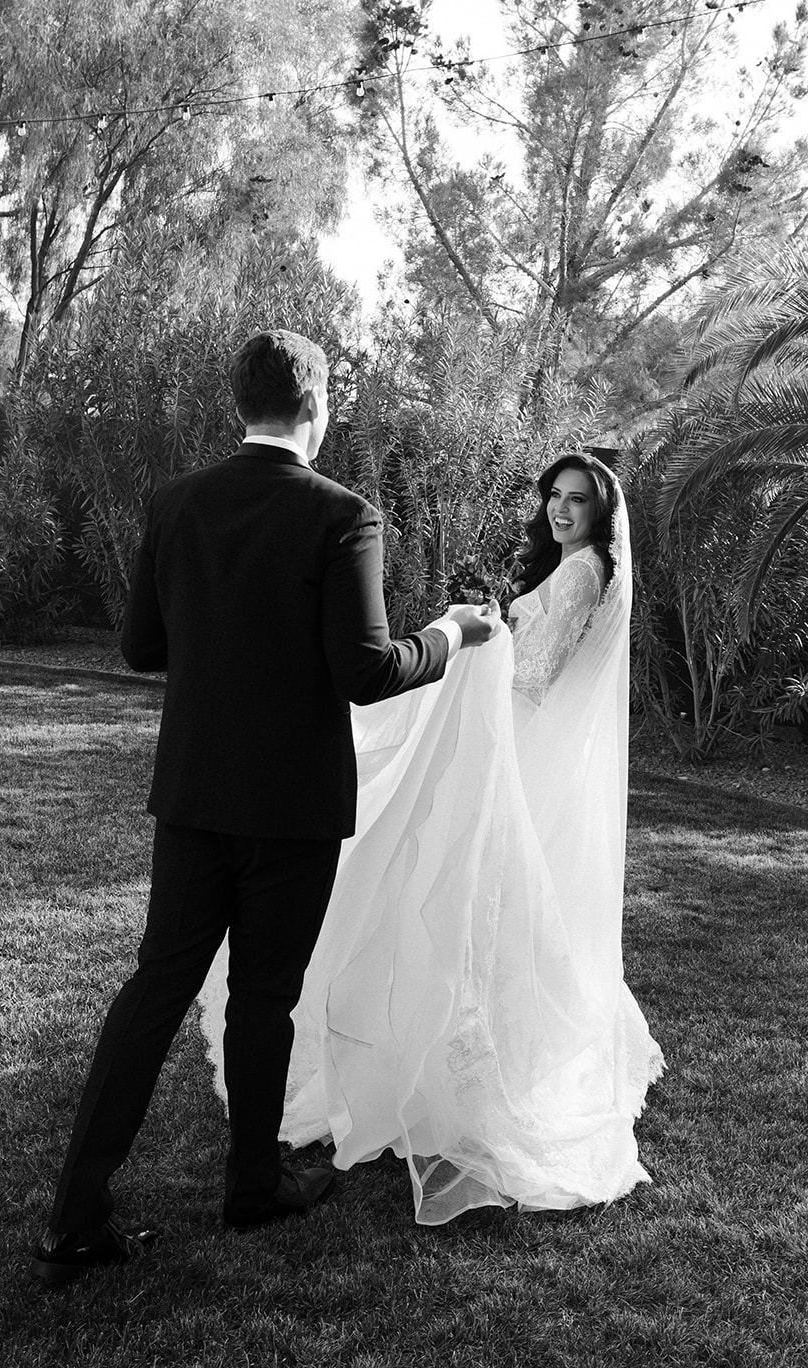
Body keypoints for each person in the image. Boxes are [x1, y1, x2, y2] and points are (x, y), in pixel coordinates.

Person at [30, 329, 499, 1286]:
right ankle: (250, 1187)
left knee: (155, 988)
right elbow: (366, 671)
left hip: (196, 793)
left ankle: (77, 1213)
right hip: (291, 807)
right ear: (319, 408)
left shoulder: (177, 501)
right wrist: (449, 633)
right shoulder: (344, 515)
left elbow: (137, 647)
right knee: (264, 999)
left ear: (238, 404)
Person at [198, 451, 665, 1223]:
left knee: (462, 887)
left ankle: (451, 1065)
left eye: (575, 500)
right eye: (553, 495)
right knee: (485, 896)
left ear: (599, 512)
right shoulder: (572, 568)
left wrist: (474, 639)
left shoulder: (582, 575)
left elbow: (534, 676)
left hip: (510, 740)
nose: (558, 509)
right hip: (512, 741)